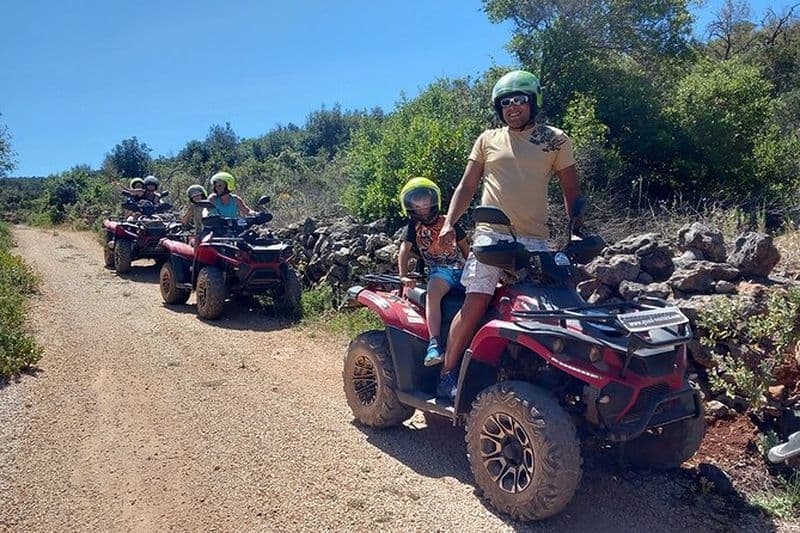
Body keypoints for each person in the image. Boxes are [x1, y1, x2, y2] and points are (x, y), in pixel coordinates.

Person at [435, 69, 583, 400]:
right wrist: (449, 222)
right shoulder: (488, 139)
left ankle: (551, 378)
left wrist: (578, 228)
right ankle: (448, 373)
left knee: (551, 305)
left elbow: (571, 189)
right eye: (505, 103)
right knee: (476, 301)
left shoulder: (555, 140)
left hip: (535, 238)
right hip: (492, 237)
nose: (512, 107)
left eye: (519, 100)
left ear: (533, 102)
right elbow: (468, 184)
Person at [397, 177, 470, 366]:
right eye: (417, 203)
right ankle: (434, 343)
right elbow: (404, 251)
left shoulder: (448, 221)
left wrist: (472, 266)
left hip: (462, 269)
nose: (422, 206)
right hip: (440, 272)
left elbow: (464, 246)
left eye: (424, 201)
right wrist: (403, 275)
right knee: (433, 294)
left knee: (487, 293)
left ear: (433, 200)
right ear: (410, 206)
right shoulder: (413, 228)